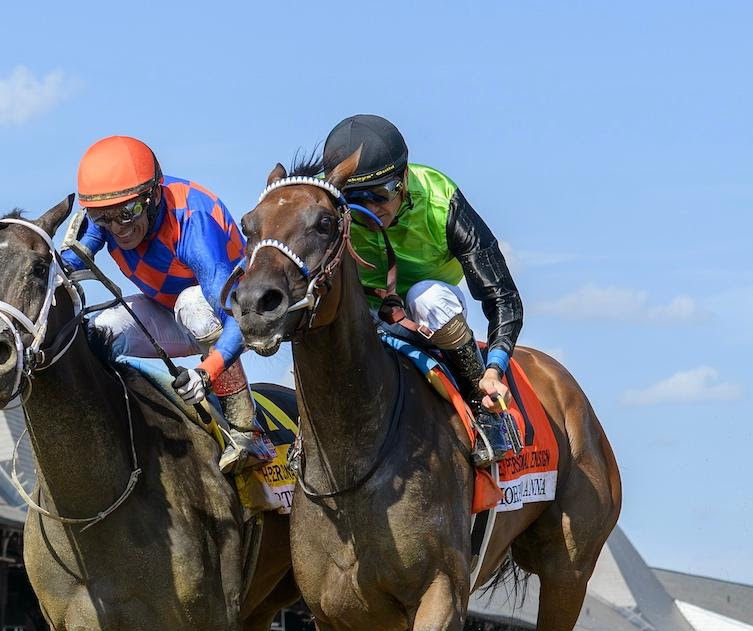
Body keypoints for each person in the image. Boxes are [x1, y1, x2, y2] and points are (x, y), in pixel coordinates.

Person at [60, 135, 275, 473]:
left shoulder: (193, 225)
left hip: (230, 318)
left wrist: (207, 373)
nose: (118, 228)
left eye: (128, 213)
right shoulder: (112, 211)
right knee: (97, 332)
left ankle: (247, 431)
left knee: (193, 306)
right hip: (164, 307)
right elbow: (68, 263)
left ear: (154, 196)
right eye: (103, 218)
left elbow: (235, 317)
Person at [320, 115, 524, 465]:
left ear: (403, 178)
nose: (370, 210)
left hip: (428, 308)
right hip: (362, 311)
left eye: (380, 195)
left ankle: (485, 410)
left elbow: (503, 296)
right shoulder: (328, 209)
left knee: (427, 297)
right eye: (355, 198)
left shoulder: (441, 198)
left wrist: (494, 370)